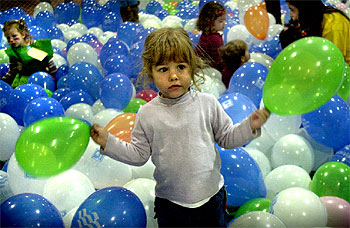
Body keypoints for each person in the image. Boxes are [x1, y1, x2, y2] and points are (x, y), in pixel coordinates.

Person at [90, 27, 270, 227]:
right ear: (151, 72)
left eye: (181, 67)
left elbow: (227, 138)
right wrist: (109, 142)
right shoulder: (147, 114)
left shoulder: (207, 103)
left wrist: (249, 126)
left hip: (211, 199)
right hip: (171, 204)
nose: (173, 76)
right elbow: (138, 155)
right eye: (163, 69)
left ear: (192, 68)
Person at [279, 0, 350, 64]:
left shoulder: (333, 24)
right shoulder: (313, 20)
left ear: (304, 9)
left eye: (292, 10)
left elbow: (334, 61)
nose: (290, 14)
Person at [1, 19, 57, 88]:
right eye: (8, 38)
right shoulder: (14, 52)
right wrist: (3, 81)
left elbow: (48, 62)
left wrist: (54, 77)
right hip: (24, 80)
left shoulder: (34, 47)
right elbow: (13, 70)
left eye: (14, 36)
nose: (11, 40)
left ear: (23, 34)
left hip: (40, 77)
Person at [195, 1, 226, 73]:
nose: (224, 23)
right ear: (210, 22)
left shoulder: (205, 34)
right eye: (220, 21)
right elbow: (218, 62)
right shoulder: (215, 39)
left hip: (201, 68)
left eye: (224, 20)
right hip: (210, 71)